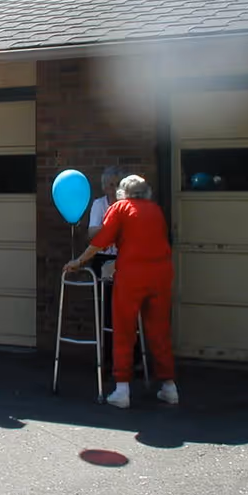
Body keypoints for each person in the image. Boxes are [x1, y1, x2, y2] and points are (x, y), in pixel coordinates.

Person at [65, 175, 178, 409]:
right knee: (159, 330)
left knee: (123, 330)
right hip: (161, 273)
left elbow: (101, 240)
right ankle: (169, 386)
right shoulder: (156, 210)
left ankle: (122, 389)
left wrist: (79, 260)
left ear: (123, 192)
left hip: (131, 274)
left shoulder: (120, 208)